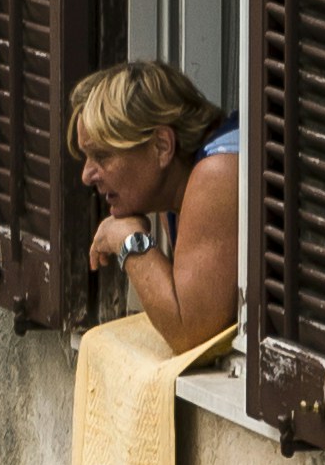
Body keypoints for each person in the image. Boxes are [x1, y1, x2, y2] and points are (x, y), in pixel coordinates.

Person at [74, 56, 240, 354]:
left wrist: (129, 241)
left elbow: (189, 334)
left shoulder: (219, 172)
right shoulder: (176, 187)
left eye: (102, 156)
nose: (87, 176)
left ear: (162, 146)